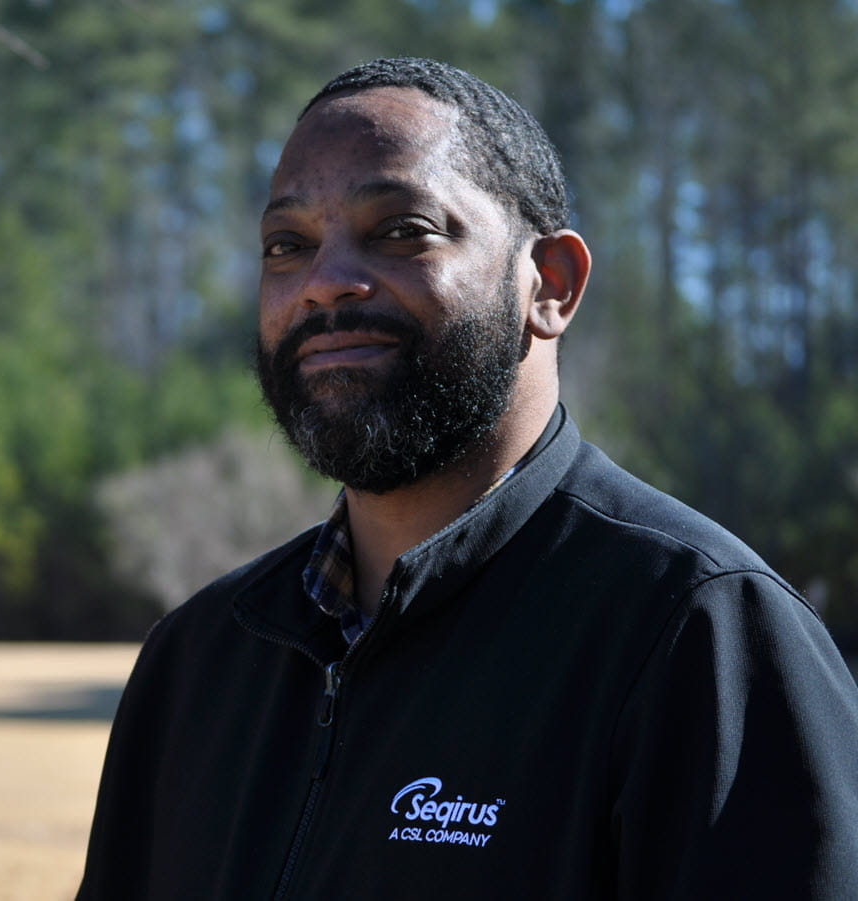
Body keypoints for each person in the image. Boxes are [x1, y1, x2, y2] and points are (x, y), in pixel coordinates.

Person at [76, 57, 858, 899]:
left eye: (402, 229)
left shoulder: (701, 632)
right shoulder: (199, 659)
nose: (324, 281)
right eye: (286, 245)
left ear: (550, 285)